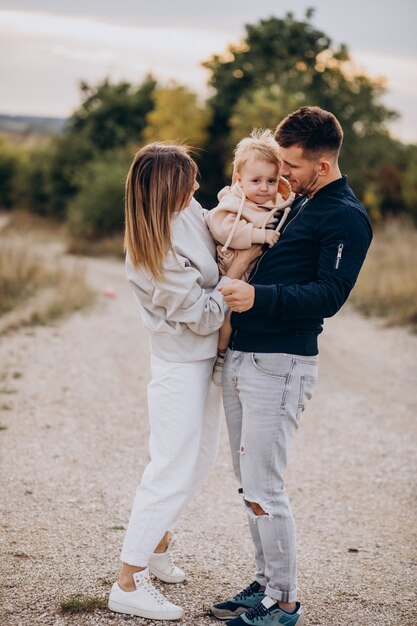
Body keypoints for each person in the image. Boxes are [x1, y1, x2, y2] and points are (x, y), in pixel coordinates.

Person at [210, 106, 373, 626]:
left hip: (280, 364)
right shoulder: (297, 201)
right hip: (244, 355)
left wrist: (257, 297)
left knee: (265, 486)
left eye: (292, 167)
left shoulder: (344, 215)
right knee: (247, 482)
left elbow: (329, 295)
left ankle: (283, 602)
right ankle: (263, 584)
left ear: (321, 166)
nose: (281, 175)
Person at [107, 143, 261, 621]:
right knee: (170, 467)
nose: (198, 186)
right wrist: (239, 268)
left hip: (204, 362)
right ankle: (127, 582)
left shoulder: (189, 210)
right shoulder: (154, 249)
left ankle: (157, 544)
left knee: (197, 461)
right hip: (179, 365)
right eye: (189, 180)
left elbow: (220, 242)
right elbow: (200, 315)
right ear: (168, 188)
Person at [205, 129, 294, 385]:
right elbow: (223, 229)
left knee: (247, 315)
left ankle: (239, 357)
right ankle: (220, 357)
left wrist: (286, 192)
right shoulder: (233, 201)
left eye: (271, 180)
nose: (264, 188)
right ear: (239, 180)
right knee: (227, 318)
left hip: (256, 274)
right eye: (256, 181)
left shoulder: (278, 201)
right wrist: (259, 235)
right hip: (231, 267)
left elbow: (287, 206)